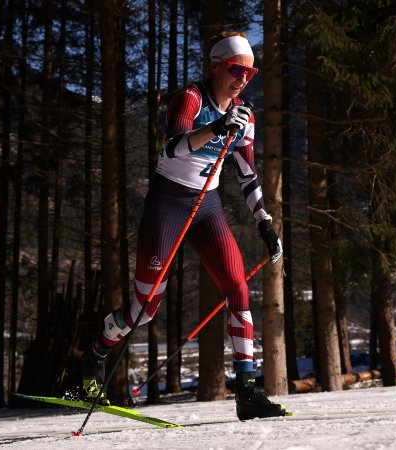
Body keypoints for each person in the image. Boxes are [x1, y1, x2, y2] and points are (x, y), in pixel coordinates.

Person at [80, 32, 286, 421]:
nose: (243, 78)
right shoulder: (191, 98)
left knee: (237, 286)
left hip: (206, 206)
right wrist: (218, 127)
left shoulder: (245, 114)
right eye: (236, 69)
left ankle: (246, 391)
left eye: (250, 72)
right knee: (145, 311)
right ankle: (95, 355)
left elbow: (247, 175)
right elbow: (172, 145)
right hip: (168, 204)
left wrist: (265, 223)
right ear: (216, 66)